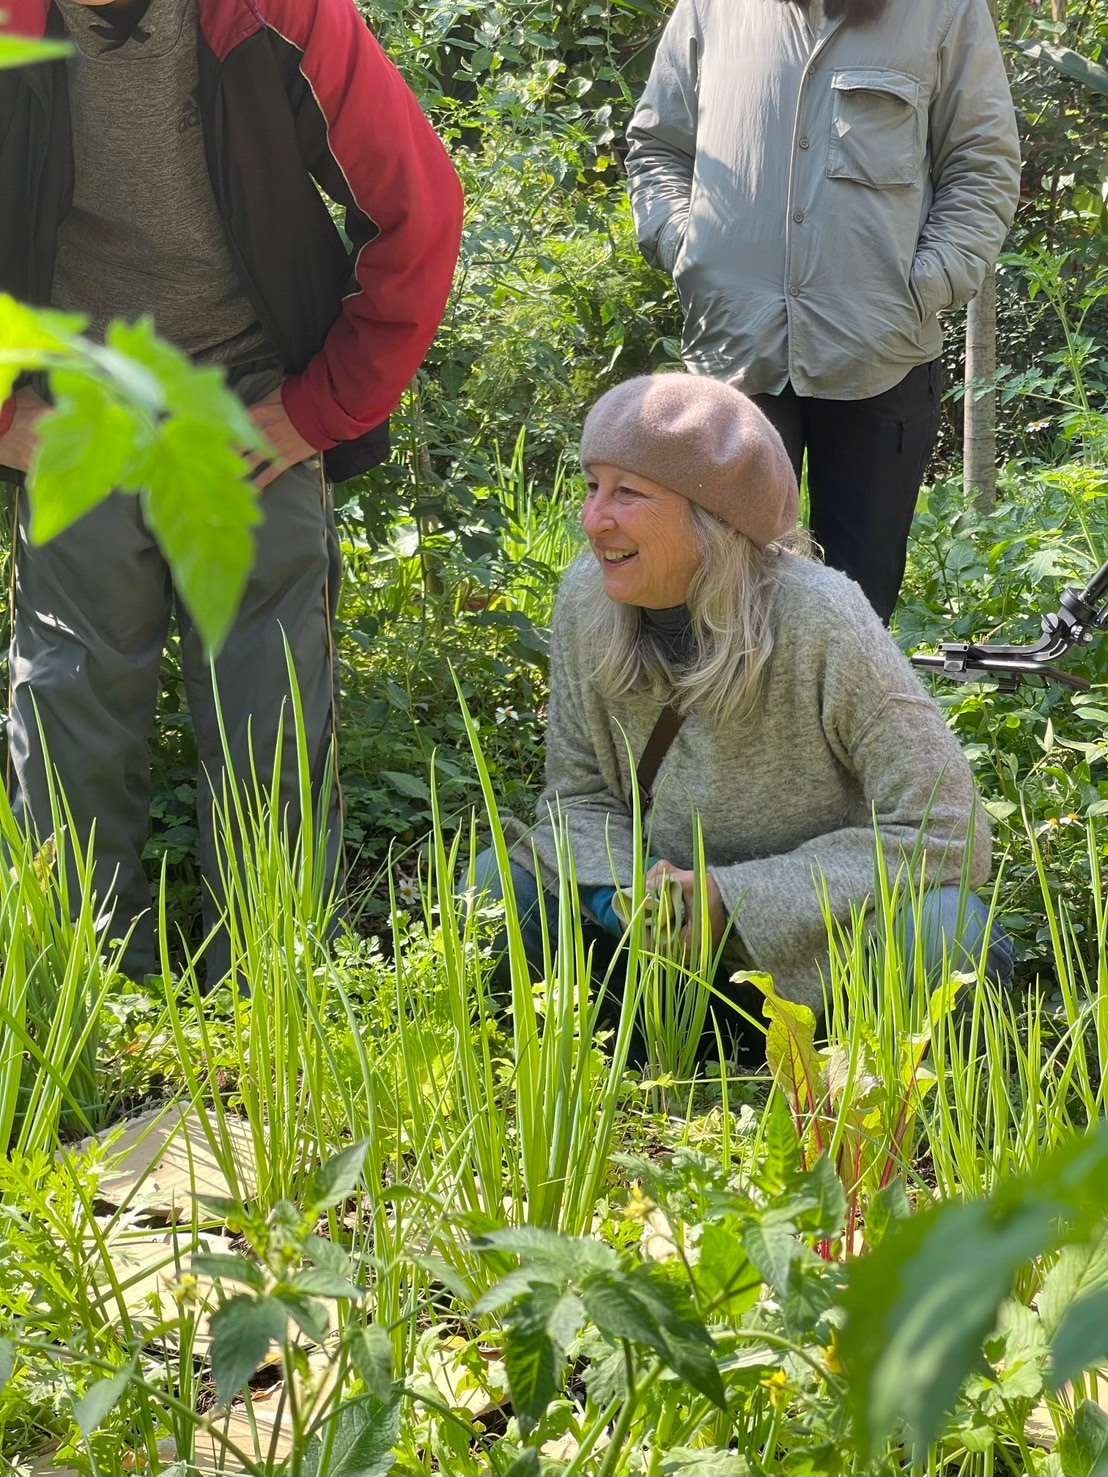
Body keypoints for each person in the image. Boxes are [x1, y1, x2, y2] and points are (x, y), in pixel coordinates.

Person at [0, 0, 463, 976]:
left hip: (248, 393)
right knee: (69, 701)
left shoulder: (280, 13)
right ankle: (83, 996)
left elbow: (418, 206)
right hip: (79, 396)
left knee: (272, 702)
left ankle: (272, 999)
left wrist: (318, 407)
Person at [476, 373, 1012, 1031]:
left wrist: (731, 897)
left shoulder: (823, 618)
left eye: (628, 493)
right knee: (497, 889)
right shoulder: (588, 599)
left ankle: (880, 1098)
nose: (593, 519)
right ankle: (615, 1064)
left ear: (714, 518)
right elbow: (578, 799)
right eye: (593, 487)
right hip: (666, 957)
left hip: (825, 964)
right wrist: (641, 896)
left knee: (943, 930)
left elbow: (951, 831)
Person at [623, 0, 1022, 623]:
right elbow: (657, 148)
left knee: (857, 609)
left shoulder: (945, 12)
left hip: (881, 354)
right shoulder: (711, 9)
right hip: (735, 353)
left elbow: (982, 164)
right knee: (723, 601)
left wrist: (927, 283)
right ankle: (732, 723)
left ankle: (839, 721)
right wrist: (686, 247)